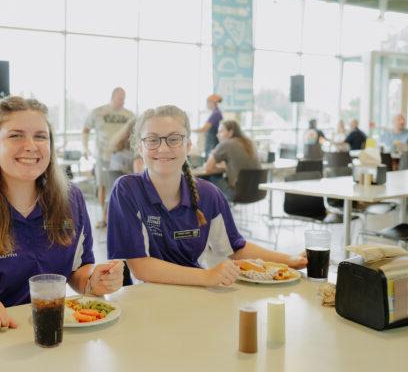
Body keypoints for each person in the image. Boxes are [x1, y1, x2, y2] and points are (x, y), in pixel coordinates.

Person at [0, 96, 124, 332]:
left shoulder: (72, 200)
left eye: (40, 136)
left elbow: (77, 272)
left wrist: (94, 280)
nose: (31, 145)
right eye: (16, 135)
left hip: (54, 335)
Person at [107, 105, 307, 288]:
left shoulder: (208, 194)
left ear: (187, 145)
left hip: (196, 295)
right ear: (140, 147)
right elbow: (140, 267)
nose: (163, 148)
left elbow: (235, 248)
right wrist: (207, 276)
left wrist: (291, 260)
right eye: (152, 140)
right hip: (148, 299)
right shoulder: (127, 190)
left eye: (174, 139)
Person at [82, 87, 135, 228]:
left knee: (120, 185)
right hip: (103, 155)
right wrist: (85, 148)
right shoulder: (99, 112)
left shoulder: (129, 115)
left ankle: (118, 215)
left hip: (121, 157)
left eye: (124, 98)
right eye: (120, 97)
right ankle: (104, 216)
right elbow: (85, 130)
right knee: (103, 185)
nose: (122, 100)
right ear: (113, 97)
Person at [200, 120, 261, 200]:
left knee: (210, 178)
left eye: (221, 131)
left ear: (230, 132)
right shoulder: (249, 143)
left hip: (238, 193)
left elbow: (207, 168)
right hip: (257, 192)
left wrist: (214, 152)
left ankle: (210, 211)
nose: (217, 135)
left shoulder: (226, 144)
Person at [193, 94, 223, 159]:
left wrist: (190, 130)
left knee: (210, 159)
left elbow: (204, 129)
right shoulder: (215, 112)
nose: (206, 104)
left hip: (213, 142)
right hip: (211, 141)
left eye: (207, 102)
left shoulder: (216, 114)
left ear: (212, 103)